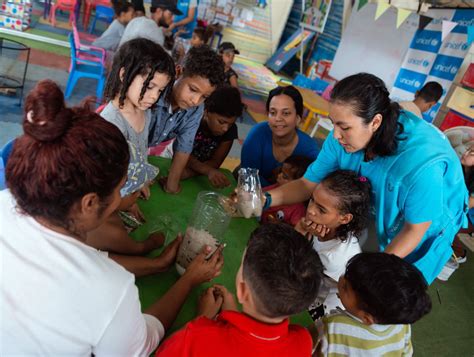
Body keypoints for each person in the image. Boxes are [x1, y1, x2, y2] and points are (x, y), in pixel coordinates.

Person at [1, 80, 223, 355]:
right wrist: (187, 281)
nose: (122, 199)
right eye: (120, 189)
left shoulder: (8, 200)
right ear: (90, 203)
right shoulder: (110, 291)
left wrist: (155, 264)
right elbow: (143, 343)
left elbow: (76, 260)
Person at [261, 73, 468, 284]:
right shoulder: (343, 139)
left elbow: (414, 230)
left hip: (424, 226)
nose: (335, 135)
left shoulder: (420, 164)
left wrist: (369, 274)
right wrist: (262, 199)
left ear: (375, 121)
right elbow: (307, 183)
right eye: (334, 124)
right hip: (386, 213)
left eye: (345, 127)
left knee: (389, 291)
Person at [155, 223, 324, 357]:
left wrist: (203, 317)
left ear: (242, 290)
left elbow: (163, 351)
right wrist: (231, 312)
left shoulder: (196, 337)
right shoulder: (303, 341)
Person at [314, 252, 432, 356]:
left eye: (345, 288)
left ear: (366, 318)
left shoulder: (332, 327)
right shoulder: (401, 326)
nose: (340, 278)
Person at [102, 38, 174, 198]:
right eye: (149, 87)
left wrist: (141, 182)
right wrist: (129, 201)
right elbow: (108, 179)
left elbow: (139, 154)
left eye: (160, 90)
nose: (154, 96)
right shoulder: (112, 123)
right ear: (124, 74)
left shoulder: (145, 111)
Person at [148, 45, 225, 194]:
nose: (195, 100)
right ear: (178, 72)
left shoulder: (196, 109)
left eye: (204, 97)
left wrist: (172, 185)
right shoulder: (153, 92)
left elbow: (183, 147)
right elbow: (130, 137)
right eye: (193, 90)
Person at [295, 170, 370, 320]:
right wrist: (302, 229)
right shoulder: (325, 226)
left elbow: (292, 268)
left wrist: (299, 232)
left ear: (344, 219)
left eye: (321, 210)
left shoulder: (334, 257)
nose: (310, 211)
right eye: (312, 200)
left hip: (320, 309)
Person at [240, 85, 320, 187]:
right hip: (254, 190)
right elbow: (248, 174)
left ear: (298, 119)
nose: (278, 118)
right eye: (273, 112)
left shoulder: (310, 151)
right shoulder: (258, 134)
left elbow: (311, 186)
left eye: (286, 113)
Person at [181, 86, 243, 188]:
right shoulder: (192, 120)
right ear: (206, 111)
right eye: (221, 122)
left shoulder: (230, 131)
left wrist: (189, 173)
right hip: (174, 158)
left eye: (230, 124)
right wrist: (208, 170)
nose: (225, 129)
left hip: (201, 171)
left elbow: (215, 162)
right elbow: (181, 152)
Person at [261, 155, 313, 226]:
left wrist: (280, 226)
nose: (279, 175)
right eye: (280, 171)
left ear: (298, 185)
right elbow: (260, 195)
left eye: (285, 176)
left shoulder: (298, 210)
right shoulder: (276, 187)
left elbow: (295, 233)